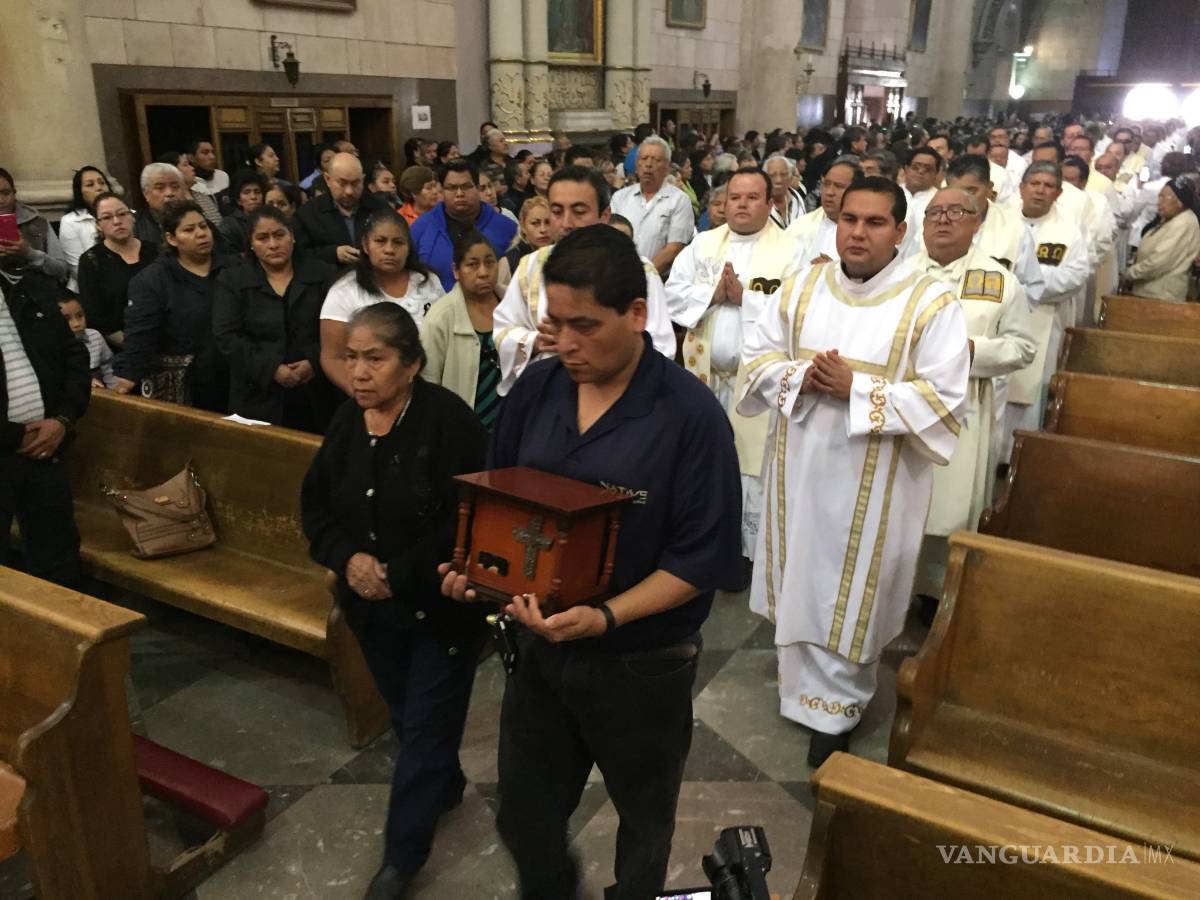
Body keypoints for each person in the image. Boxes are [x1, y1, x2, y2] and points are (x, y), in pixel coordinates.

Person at [440, 224, 742, 900]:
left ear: (637, 316)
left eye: (586, 325)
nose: (565, 343)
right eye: (555, 323)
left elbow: (702, 557)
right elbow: (503, 501)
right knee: (524, 813)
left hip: (640, 664)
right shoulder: (539, 391)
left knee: (644, 818)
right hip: (539, 653)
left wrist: (604, 618)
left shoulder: (689, 416)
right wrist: (478, 575)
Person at [737, 176, 970, 767]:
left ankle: (839, 708)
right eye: (849, 220)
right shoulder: (801, 287)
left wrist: (857, 388)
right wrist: (799, 377)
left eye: (874, 223)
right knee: (803, 579)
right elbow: (757, 358)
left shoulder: (929, 302)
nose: (858, 233)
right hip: (800, 467)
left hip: (879, 483)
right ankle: (801, 693)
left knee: (851, 587)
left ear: (900, 230)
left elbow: (945, 399)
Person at [302, 302, 489, 900]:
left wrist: (396, 572)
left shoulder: (449, 423)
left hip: (439, 610)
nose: (359, 373)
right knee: (410, 718)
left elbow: (469, 517)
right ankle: (447, 783)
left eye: (374, 359)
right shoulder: (345, 423)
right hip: (370, 609)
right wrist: (348, 560)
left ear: (410, 364)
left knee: (426, 726)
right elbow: (317, 507)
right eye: (352, 358)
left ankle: (400, 861)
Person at [665, 168, 801, 565]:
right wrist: (712, 294)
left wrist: (746, 299)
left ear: (770, 203)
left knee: (749, 468)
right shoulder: (703, 243)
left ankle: (743, 555)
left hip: (755, 387)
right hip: (704, 379)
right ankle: (701, 541)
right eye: (734, 197)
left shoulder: (791, 251)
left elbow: (798, 309)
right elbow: (672, 293)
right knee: (702, 461)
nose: (740, 205)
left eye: (751, 197)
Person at [909, 187, 1036, 601]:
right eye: (934, 213)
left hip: (964, 409)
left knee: (950, 507)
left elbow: (1022, 346)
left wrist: (971, 351)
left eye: (956, 212)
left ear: (976, 222)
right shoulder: (897, 273)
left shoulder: (999, 280)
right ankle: (893, 589)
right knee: (900, 504)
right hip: (900, 406)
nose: (943, 220)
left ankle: (937, 594)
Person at [493, 166, 678, 395]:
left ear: (605, 215)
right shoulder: (531, 267)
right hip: (547, 394)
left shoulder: (636, 269)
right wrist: (535, 341)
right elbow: (503, 329)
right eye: (557, 211)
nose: (566, 223)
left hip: (615, 396)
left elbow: (660, 347)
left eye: (579, 211)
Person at [0, 265, 90, 588]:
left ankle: (66, 636)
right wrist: (13, 435)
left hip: (47, 446)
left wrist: (63, 419)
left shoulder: (27, 287)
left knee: (59, 563)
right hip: (8, 448)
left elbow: (74, 358)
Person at [213, 206, 338, 431]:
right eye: (262, 238)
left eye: (279, 235)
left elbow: (339, 329)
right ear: (251, 243)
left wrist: (313, 361)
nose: (273, 244)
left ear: (292, 235)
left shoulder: (323, 273)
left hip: (316, 388)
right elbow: (226, 337)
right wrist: (271, 369)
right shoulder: (232, 280)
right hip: (256, 393)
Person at [114, 200, 235, 411]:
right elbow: (141, 335)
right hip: (187, 385)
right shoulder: (152, 280)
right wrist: (128, 376)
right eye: (189, 229)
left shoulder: (234, 268)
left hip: (237, 376)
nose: (201, 233)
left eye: (203, 226)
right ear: (171, 238)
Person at [1005, 162, 1090, 440]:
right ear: (1021, 187)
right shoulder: (1000, 223)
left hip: (1042, 319)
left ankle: (1017, 456)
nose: (1040, 191)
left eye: (1048, 186)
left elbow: (1075, 276)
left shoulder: (1068, 232)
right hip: (999, 317)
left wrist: (1025, 283)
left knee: (1030, 391)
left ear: (1058, 193)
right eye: (1035, 183)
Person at [320, 209, 444, 395]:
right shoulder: (344, 291)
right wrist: (361, 392)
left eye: (398, 242)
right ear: (365, 245)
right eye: (380, 241)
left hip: (431, 393)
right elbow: (332, 357)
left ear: (408, 246)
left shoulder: (428, 282)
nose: (389, 250)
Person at [421, 230, 502, 429]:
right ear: (456, 271)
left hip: (513, 425)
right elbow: (428, 385)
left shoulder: (512, 304)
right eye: (472, 265)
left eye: (490, 262)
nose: (483, 272)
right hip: (462, 429)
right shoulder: (440, 318)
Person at [944, 154, 1044, 304]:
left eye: (972, 191)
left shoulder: (1015, 230)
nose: (964, 199)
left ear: (989, 188)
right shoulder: (933, 225)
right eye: (957, 192)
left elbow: (1032, 287)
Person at [410, 160, 517, 291]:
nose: (459, 194)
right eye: (452, 188)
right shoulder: (420, 228)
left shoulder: (506, 227)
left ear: (477, 188)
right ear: (442, 191)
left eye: (466, 186)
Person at [75, 192, 158, 347]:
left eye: (122, 214)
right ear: (98, 224)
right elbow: (97, 317)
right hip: (123, 345)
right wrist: (134, 348)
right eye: (107, 217)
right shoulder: (91, 261)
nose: (117, 221)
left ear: (132, 217)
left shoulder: (155, 251)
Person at [610, 136, 695, 276]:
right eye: (644, 159)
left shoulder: (679, 200)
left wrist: (642, 276)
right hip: (619, 276)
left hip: (659, 279)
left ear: (667, 167)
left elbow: (674, 249)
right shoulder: (620, 197)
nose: (648, 164)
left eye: (656, 160)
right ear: (637, 165)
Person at [293, 153, 386, 267]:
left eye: (355, 183)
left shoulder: (380, 208)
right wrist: (333, 253)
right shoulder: (307, 215)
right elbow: (299, 255)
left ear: (363, 179)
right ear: (327, 179)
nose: (349, 191)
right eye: (342, 183)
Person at [1124, 176, 1200, 301]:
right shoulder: (1170, 219)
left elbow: (1158, 262)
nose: (1159, 202)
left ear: (1180, 202)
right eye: (1159, 197)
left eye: (1164, 197)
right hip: (1149, 293)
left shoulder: (1183, 223)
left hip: (1161, 297)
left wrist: (1129, 274)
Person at [786, 156, 861, 264]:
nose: (829, 192)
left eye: (839, 186)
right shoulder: (800, 227)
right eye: (826, 185)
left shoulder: (867, 232)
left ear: (856, 190)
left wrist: (834, 271)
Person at [0, 168, 69, 283]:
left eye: (6, 193)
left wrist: (29, 253)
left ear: (14, 193)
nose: (1, 200)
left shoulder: (38, 223)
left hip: (37, 295)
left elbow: (61, 269)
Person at [58, 166, 112, 290]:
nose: (99, 188)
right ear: (79, 192)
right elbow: (78, 271)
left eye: (102, 182)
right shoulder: (70, 221)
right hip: (90, 289)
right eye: (90, 185)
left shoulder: (123, 214)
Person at [57, 293, 117, 389]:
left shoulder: (95, 337)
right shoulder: (50, 345)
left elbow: (109, 370)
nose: (76, 324)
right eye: (66, 319)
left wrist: (116, 395)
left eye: (80, 315)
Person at [496, 196, 552, 296]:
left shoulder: (562, 253)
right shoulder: (511, 260)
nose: (543, 229)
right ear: (524, 227)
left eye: (548, 222)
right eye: (535, 223)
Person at [899, 146, 943, 256]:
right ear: (906, 169)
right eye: (915, 167)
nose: (921, 172)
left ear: (936, 174)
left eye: (928, 169)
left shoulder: (941, 200)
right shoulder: (890, 193)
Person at [159, 151, 222, 227]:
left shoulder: (202, 196)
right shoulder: (170, 201)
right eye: (186, 165)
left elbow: (219, 224)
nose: (192, 168)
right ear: (172, 171)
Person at [133, 162, 185, 248]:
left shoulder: (197, 221)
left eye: (175, 186)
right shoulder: (135, 226)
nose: (169, 193)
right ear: (146, 194)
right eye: (160, 188)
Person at [218, 170, 266, 254]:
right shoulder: (228, 226)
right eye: (246, 192)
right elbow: (227, 257)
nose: (253, 197)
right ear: (238, 200)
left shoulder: (270, 219)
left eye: (257, 192)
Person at [764, 155, 804, 229]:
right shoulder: (758, 204)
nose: (778, 180)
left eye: (783, 175)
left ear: (790, 178)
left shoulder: (797, 197)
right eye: (772, 175)